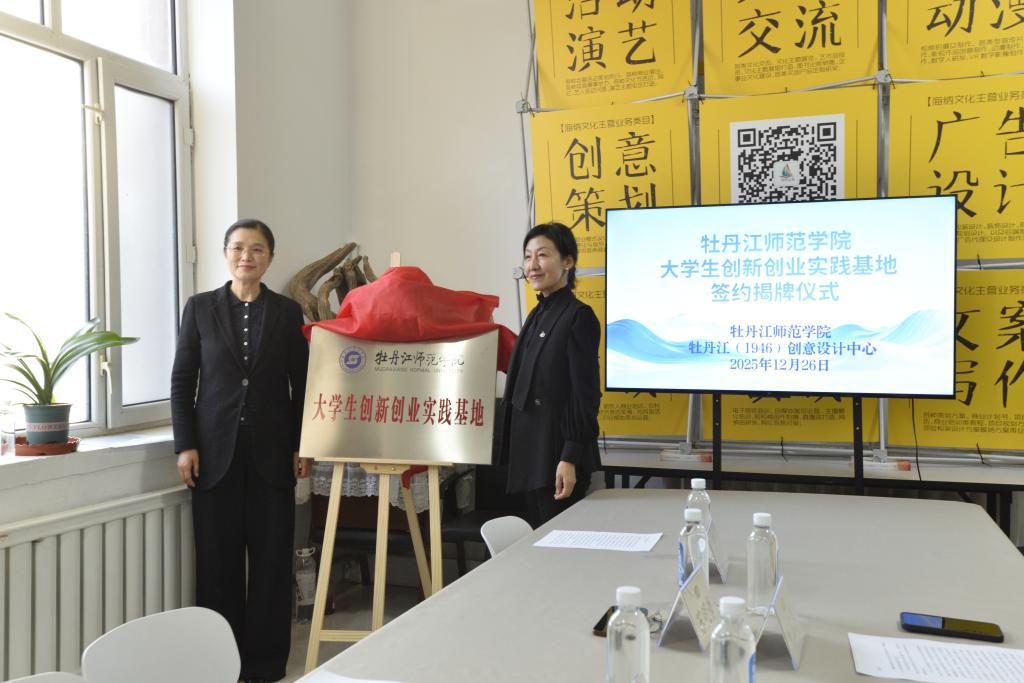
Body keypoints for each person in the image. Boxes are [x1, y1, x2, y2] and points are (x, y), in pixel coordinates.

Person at [170, 219, 310, 683]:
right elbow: (182, 380)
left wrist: (302, 444)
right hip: (213, 456)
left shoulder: (287, 312)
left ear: (270, 256)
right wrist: (186, 445)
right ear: (225, 253)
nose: (246, 256)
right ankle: (220, 663)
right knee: (217, 564)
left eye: (257, 249)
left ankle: (265, 666)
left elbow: (302, 384)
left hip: (272, 454)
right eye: (238, 247)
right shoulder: (200, 308)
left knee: (271, 563)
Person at [500, 222, 602, 527]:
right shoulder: (537, 314)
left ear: (567, 261)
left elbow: (585, 395)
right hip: (530, 455)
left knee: (561, 544)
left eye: (542, 255)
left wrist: (569, 457)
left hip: (557, 457)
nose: (532, 265)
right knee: (537, 543)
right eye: (527, 256)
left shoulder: (578, 316)